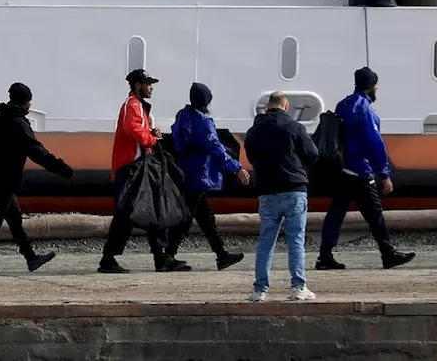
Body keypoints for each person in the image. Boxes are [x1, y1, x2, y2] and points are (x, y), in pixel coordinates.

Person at [0, 82, 74, 275]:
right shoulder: (17, 122)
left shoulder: (0, 116)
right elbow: (36, 151)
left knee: (14, 218)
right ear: (26, 101)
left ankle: (31, 258)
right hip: (3, 179)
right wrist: (62, 168)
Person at [316, 67, 415, 271]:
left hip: (343, 169)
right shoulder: (366, 110)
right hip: (361, 171)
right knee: (375, 215)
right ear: (372, 86)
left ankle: (324, 256)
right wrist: (384, 174)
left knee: (335, 214)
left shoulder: (344, 104)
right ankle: (388, 254)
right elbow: (374, 143)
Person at [98, 69, 189, 274]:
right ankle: (113, 259)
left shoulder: (136, 106)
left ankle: (158, 257)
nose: (151, 87)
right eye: (148, 84)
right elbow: (133, 129)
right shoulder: (134, 105)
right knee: (133, 213)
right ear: (138, 85)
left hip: (136, 166)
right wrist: (151, 139)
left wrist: (150, 133)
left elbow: (135, 129)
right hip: (134, 168)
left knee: (147, 209)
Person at [244, 90, 319, 302]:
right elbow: (312, 154)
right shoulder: (294, 127)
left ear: (268, 106)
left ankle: (259, 290)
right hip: (294, 189)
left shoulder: (254, 131)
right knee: (295, 240)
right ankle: (298, 287)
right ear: (286, 106)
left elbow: (251, 156)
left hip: (267, 191)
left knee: (266, 240)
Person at [165, 82, 248, 270]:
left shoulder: (183, 115)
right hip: (199, 173)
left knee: (205, 216)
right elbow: (216, 148)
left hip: (186, 171)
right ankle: (167, 255)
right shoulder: (203, 122)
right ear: (207, 101)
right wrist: (236, 167)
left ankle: (221, 255)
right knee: (186, 217)